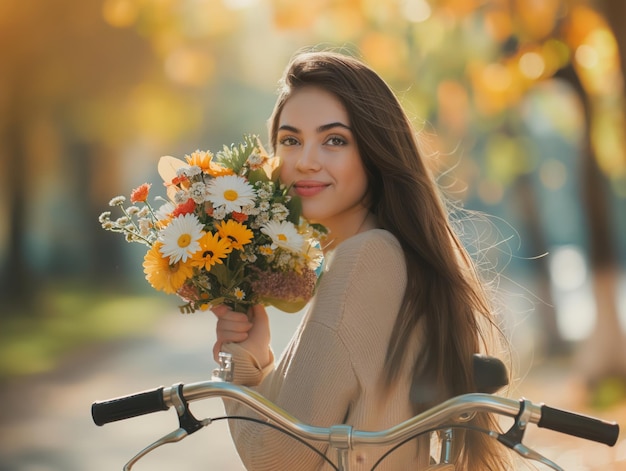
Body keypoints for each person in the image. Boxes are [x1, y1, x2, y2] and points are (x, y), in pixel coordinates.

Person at [211, 49, 511, 470]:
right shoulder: (386, 253)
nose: (305, 161)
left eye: (334, 140)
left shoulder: (365, 259)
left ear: (374, 151)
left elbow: (275, 457)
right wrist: (255, 351)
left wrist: (240, 363)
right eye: (290, 140)